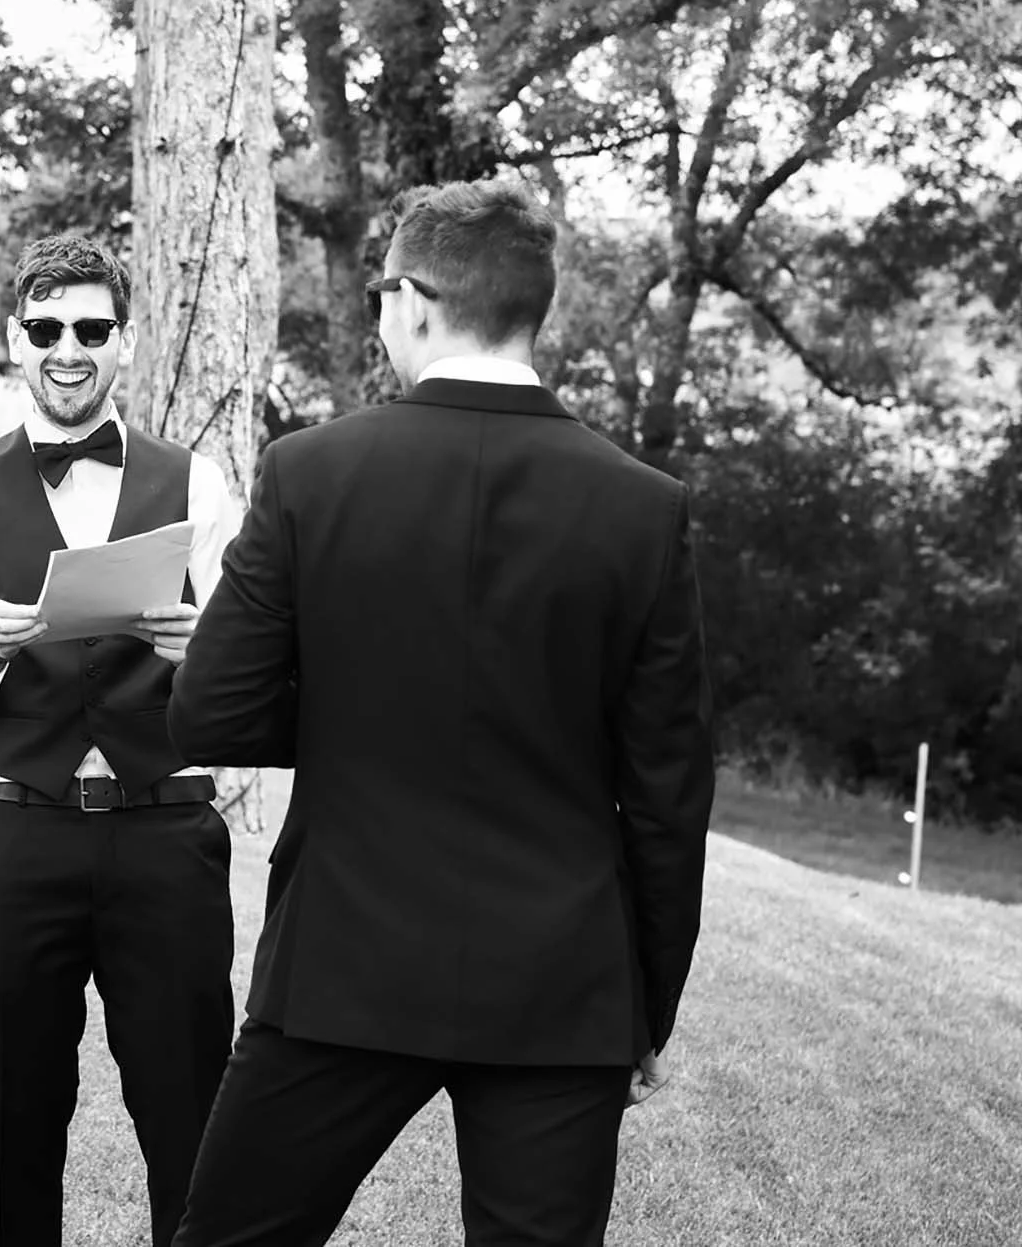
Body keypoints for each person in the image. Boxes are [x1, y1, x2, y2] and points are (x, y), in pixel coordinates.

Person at [167, 179, 716, 1247]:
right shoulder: (643, 508)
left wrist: (349, 710)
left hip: (341, 964)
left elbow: (209, 714)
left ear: (413, 302)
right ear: (529, 310)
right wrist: (643, 1006)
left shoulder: (309, 472)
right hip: (559, 988)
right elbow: (668, 796)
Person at [0, 234, 243, 1247]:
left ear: (123, 341)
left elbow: (251, 669)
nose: (68, 349)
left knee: (192, 1118)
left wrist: (202, 649)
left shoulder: (197, 482)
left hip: (166, 831)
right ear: (15, 338)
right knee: (11, 1124)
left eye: (91, 329)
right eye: (46, 328)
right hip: (14, 835)